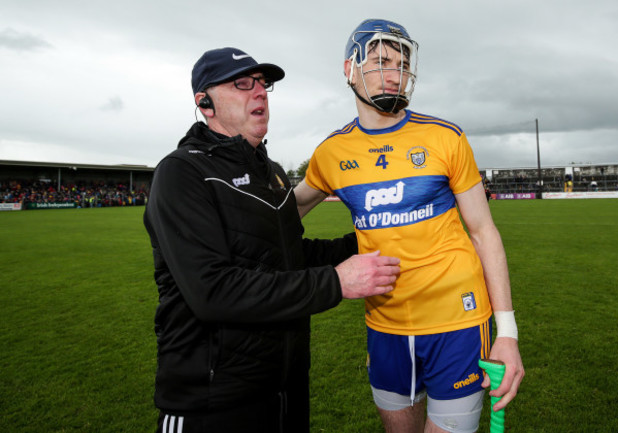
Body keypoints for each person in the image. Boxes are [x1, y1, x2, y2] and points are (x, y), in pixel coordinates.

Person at [143, 47, 401, 433]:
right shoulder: (182, 173)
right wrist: (336, 282)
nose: (260, 92)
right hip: (213, 404)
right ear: (205, 103)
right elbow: (213, 290)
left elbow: (290, 254)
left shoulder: (274, 174)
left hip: (284, 388)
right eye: (242, 84)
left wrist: (373, 236)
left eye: (263, 84)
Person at [294, 20, 524, 433]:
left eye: (401, 64)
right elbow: (285, 213)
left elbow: (484, 232)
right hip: (385, 324)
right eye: (381, 61)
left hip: (458, 321)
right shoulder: (331, 153)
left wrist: (507, 332)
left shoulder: (444, 137)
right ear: (350, 69)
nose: (394, 73)